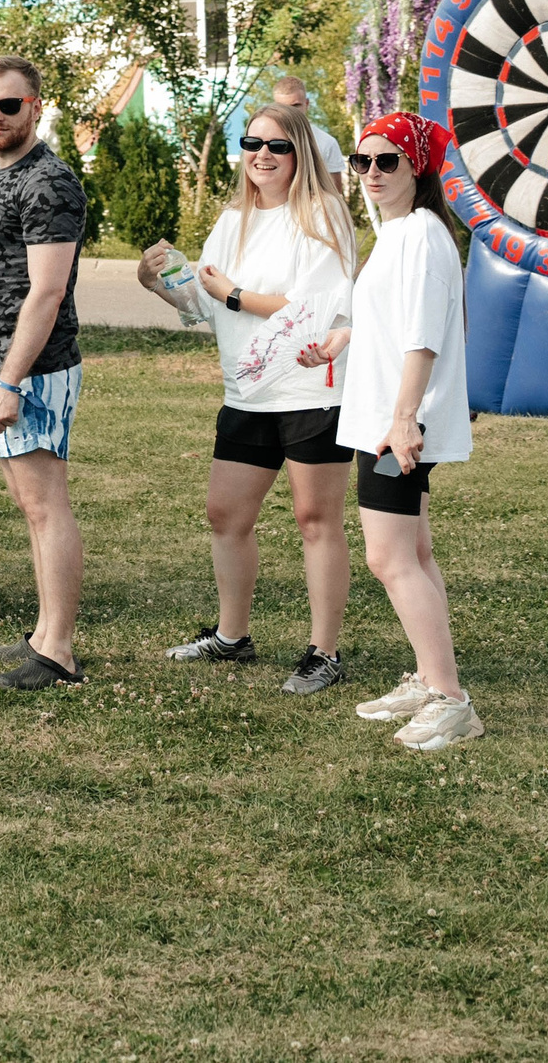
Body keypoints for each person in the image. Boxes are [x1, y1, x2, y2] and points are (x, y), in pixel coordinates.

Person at [139, 101, 357, 693]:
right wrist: (156, 282)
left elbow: (312, 313)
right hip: (246, 392)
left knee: (317, 520)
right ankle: (232, 638)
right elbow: (204, 305)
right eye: (251, 142)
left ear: (301, 154)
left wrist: (234, 294)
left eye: (278, 145)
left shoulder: (323, 214)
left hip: (310, 388)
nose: (262, 154)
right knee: (226, 515)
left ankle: (324, 653)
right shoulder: (231, 219)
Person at [299, 113, 483, 751]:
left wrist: (405, 420)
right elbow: (392, 316)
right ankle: (430, 680)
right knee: (417, 553)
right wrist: (340, 342)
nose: (372, 173)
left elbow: (425, 336)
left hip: (398, 426)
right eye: (362, 161)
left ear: (418, 168)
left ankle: (451, 700)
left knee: (388, 557)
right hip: (383, 418)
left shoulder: (424, 235)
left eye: (388, 162)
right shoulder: (400, 232)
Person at [0, 54, 89, 691]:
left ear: (35, 106)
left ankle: (59, 649)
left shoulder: (49, 182)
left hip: (34, 368)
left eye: (9, 105)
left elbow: (46, 292)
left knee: (45, 504)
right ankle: (43, 634)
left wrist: (8, 380)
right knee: (26, 502)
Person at [270, 75, 348, 197]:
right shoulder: (263, 143)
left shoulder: (327, 143)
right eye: (283, 107)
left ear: (306, 103)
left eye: (296, 105)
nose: (290, 112)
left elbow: (336, 195)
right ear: (274, 107)